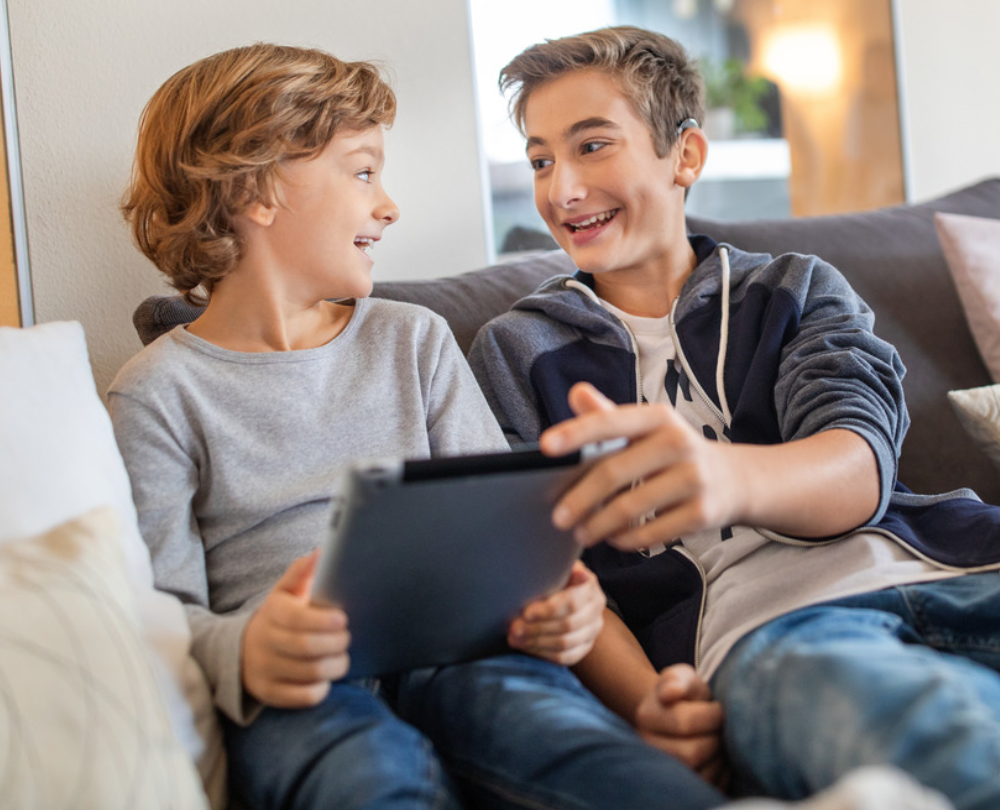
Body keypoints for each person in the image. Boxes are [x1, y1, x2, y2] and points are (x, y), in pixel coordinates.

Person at [106, 42, 735, 810]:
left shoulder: (414, 339)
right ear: (258, 189)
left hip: (466, 654)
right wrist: (248, 651)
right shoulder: (158, 393)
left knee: (567, 743)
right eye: (363, 171)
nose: (388, 204)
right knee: (364, 775)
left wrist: (557, 609)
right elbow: (159, 617)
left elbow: (512, 547)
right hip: (305, 688)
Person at [469, 25, 1000, 810]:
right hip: (778, 633)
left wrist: (725, 476)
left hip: (961, 563)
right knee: (932, 728)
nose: (562, 191)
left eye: (591, 147)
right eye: (541, 159)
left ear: (684, 156)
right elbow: (557, 578)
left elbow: (858, 467)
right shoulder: (517, 353)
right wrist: (652, 703)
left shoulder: (795, 290)